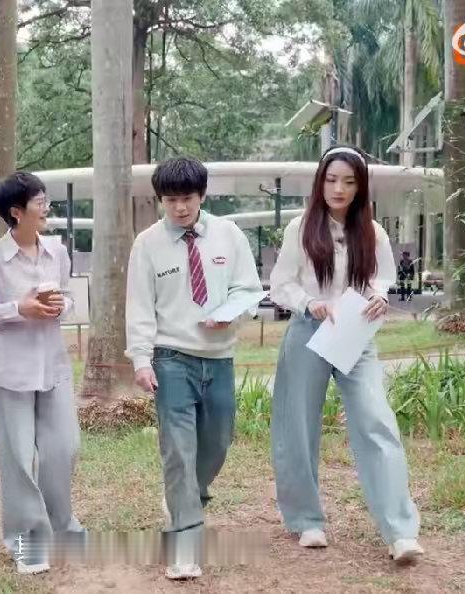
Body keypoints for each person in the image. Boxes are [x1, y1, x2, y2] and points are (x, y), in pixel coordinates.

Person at [268, 146, 424, 565]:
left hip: (355, 334)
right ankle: (306, 520)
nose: (339, 188)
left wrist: (378, 296)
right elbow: (280, 284)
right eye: (332, 179)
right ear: (320, 182)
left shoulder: (373, 232)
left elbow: (381, 277)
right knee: (297, 426)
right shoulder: (301, 228)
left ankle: (400, 531)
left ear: (361, 187)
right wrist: (309, 303)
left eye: (349, 181)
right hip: (309, 331)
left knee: (377, 421)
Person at [125, 156, 264, 580]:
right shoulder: (147, 244)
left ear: (202, 195)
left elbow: (248, 289)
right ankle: (184, 543)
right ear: (161, 200)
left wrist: (229, 314)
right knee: (178, 452)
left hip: (219, 357)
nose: (180, 207)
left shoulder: (228, 235)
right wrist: (141, 360)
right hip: (171, 359)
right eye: (170, 200)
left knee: (217, 444)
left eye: (187, 198)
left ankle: (186, 497)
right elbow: (140, 306)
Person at [0, 171, 82, 575]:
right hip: (11, 374)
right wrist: (19, 308)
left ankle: (63, 528)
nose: (46, 207)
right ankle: (27, 543)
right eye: (39, 202)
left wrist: (60, 307)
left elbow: (69, 298)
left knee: (63, 449)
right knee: (18, 461)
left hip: (54, 368)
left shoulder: (57, 251)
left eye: (46, 199)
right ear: (16, 212)